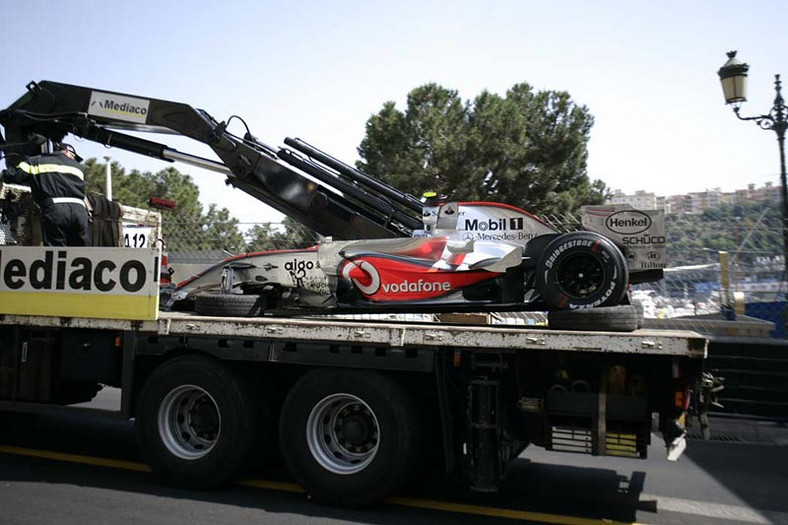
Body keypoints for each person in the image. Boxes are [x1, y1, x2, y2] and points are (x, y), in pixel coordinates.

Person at [1, 142, 90, 246]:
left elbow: (15, 176)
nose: (73, 160)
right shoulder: (79, 168)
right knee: (81, 250)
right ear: (66, 151)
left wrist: (3, 174)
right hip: (79, 211)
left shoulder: (35, 162)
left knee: (56, 252)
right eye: (73, 156)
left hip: (56, 210)